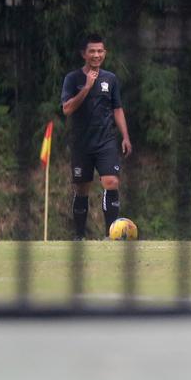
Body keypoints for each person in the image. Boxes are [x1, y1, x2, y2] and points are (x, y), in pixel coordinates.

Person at [60, 34, 132, 239]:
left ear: (105, 53)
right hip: (81, 143)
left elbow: (117, 109)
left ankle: (112, 235)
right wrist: (87, 88)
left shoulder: (110, 79)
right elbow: (67, 109)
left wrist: (125, 136)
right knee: (81, 189)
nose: (96, 55)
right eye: (92, 51)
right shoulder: (72, 79)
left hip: (106, 141)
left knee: (111, 182)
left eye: (100, 51)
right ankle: (79, 236)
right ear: (84, 54)